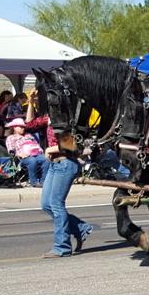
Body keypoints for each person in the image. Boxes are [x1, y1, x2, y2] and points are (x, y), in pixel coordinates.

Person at [39, 101, 93, 258]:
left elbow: (72, 146)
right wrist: (30, 103)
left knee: (56, 204)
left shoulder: (67, 119)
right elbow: (29, 123)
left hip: (66, 163)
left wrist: (50, 149)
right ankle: (81, 228)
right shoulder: (49, 117)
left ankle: (62, 247)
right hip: (54, 164)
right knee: (46, 204)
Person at [5, 118, 48, 187]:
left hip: (35, 154)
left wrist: (41, 151)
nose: (23, 128)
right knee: (32, 161)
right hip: (22, 158)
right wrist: (19, 154)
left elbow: (36, 145)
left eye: (23, 127)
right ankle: (34, 182)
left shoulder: (28, 135)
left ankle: (44, 181)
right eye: (21, 127)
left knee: (46, 160)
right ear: (15, 128)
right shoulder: (11, 138)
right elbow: (11, 151)